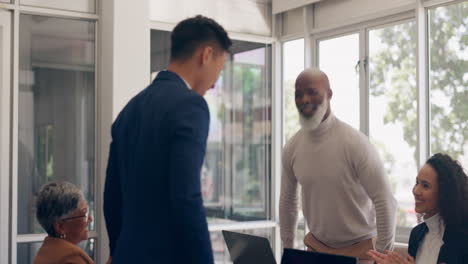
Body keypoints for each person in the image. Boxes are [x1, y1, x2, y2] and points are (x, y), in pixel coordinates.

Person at [103, 15, 232, 264]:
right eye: (220, 68)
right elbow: (186, 196)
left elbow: (112, 196)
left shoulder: (130, 109)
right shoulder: (191, 106)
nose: (215, 83)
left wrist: (117, 251)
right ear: (206, 55)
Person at [279, 68, 397, 262]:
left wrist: (381, 258)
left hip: (360, 253)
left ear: (329, 95)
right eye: (298, 94)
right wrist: (287, 251)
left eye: (312, 92)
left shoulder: (355, 143)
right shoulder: (292, 147)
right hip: (316, 250)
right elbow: (288, 203)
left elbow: (385, 202)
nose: (304, 99)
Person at [368, 153, 468, 264]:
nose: (415, 191)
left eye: (425, 185)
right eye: (417, 183)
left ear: (444, 193)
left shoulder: (463, 238)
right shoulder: (416, 235)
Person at [33, 181, 93, 264]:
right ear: (60, 227)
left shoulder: (48, 251)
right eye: (84, 213)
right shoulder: (70, 257)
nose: (90, 219)